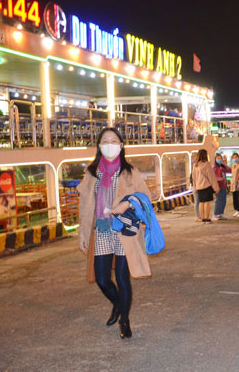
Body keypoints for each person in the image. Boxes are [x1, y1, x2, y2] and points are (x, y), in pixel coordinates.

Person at [78, 128, 152, 339]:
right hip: (101, 229)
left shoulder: (130, 171)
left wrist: (128, 202)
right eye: (105, 140)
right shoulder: (92, 173)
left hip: (124, 229)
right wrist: (83, 234)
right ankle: (118, 304)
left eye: (113, 140)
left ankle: (125, 321)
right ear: (99, 146)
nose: (109, 143)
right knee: (102, 278)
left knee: (122, 277)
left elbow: (146, 197)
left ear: (121, 146)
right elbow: (84, 205)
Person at [192, 149, 220, 224]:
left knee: (201, 203)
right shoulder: (207, 164)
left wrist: (194, 188)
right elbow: (212, 177)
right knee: (207, 202)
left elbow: (193, 178)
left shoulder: (195, 165)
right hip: (206, 186)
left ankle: (202, 218)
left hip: (199, 187)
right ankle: (207, 219)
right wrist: (216, 188)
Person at [230, 153, 239, 217]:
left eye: (236, 157)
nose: (235, 158)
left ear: (238, 157)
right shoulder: (233, 165)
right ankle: (237, 210)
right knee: (235, 198)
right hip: (233, 184)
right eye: (233, 157)